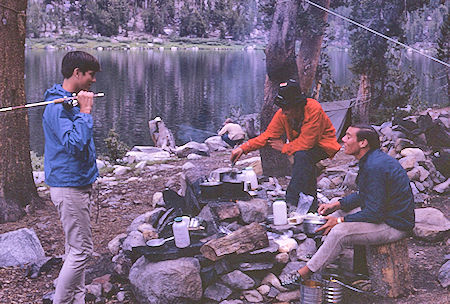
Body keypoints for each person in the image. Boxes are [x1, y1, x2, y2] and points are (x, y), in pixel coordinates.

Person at [295, 124, 415, 280]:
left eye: (348, 136)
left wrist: (340, 221)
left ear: (363, 143)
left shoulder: (374, 166)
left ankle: (305, 273)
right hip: (384, 214)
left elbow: (374, 213)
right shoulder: (371, 160)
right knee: (337, 211)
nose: (343, 139)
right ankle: (329, 256)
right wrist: (337, 205)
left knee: (340, 231)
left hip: (394, 225)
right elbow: (365, 195)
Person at [42, 51, 100, 304]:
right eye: (91, 75)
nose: (94, 81)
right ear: (77, 73)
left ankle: (77, 300)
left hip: (78, 182)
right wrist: (85, 112)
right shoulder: (57, 107)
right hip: (69, 186)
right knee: (82, 252)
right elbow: (74, 144)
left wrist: (79, 107)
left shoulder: (69, 102)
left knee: (74, 250)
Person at [230, 79, 341, 211]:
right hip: (302, 149)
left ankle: (291, 200)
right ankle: (311, 207)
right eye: (283, 108)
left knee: (302, 156)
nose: (284, 112)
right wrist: (243, 148)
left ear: (298, 105)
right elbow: (268, 136)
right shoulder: (283, 114)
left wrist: (284, 147)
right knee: (305, 163)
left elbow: (307, 142)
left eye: (287, 108)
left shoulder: (313, 109)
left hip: (323, 145)